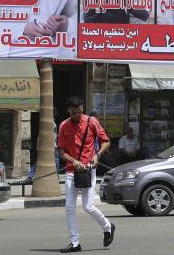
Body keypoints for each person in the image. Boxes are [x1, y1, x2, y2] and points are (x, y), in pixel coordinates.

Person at [57, 96, 115, 253]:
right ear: (69, 110)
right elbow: (61, 151)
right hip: (71, 170)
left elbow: (106, 141)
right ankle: (75, 243)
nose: (77, 115)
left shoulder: (92, 122)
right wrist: (72, 160)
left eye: (80, 111)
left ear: (83, 108)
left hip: (88, 169)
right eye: (74, 112)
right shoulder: (63, 126)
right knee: (69, 207)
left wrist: (97, 155)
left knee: (88, 206)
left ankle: (108, 226)